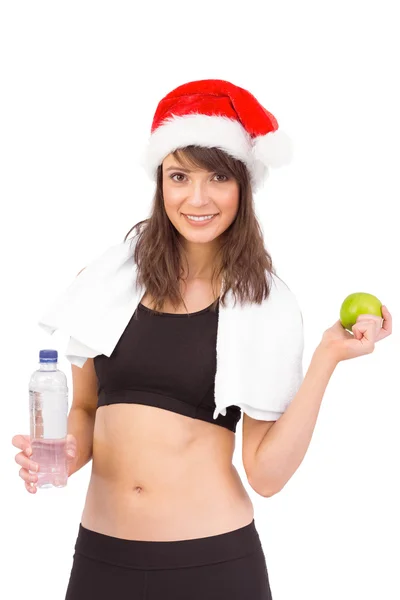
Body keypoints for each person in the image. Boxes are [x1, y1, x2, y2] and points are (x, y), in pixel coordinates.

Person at [12, 79, 392, 600]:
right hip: (102, 559)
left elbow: (266, 475)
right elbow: (84, 409)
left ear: (243, 186)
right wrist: (61, 453)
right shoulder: (104, 282)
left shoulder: (266, 305)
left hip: (213, 564)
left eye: (218, 176)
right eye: (179, 176)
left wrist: (328, 355)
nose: (197, 197)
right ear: (160, 182)